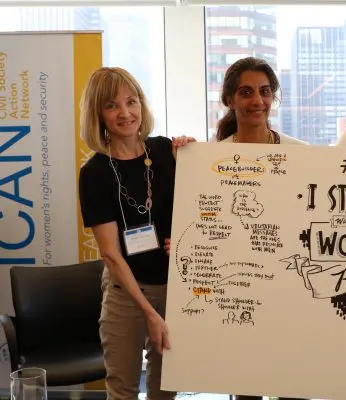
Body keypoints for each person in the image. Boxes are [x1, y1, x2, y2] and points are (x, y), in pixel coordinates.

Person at [78, 67, 194, 400]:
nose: (125, 113)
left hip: (175, 289)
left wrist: (193, 158)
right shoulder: (95, 173)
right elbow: (111, 254)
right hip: (127, 294)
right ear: (98, 114)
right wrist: (149, 312)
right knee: (123, 392)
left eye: (131, 101)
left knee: (165, 390)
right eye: (112, 105)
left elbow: (200, 210)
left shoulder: (166, 152)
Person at [213, 56, 308, 400]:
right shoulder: (210, 159)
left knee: (294, 384)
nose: (257, 100)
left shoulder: (303, 154)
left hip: (292, 286)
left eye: (265, 92)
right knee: (247, 384)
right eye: (246, 92)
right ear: (229, 99)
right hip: (240, 287)